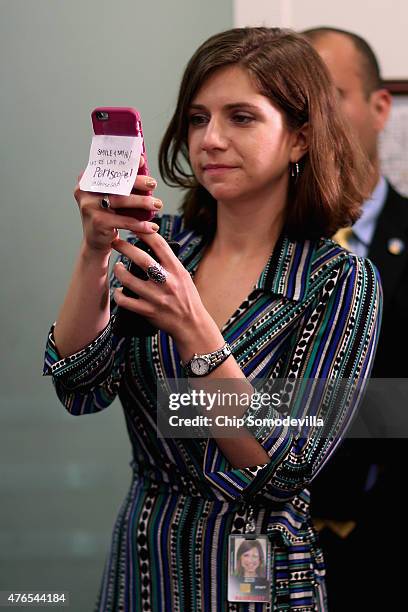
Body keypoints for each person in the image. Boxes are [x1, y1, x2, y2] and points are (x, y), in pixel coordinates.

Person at [42, 27, 382, 611]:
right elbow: (79, 387)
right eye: (198, 119)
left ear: (300, 139)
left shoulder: (339, 279)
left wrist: (194, 329)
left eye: (241, 118)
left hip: (257, 571)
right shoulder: (162, 248)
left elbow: (282, 468)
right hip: (146, 563)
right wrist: (96, 247)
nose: (211, 139)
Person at [302, 26, 408, 610]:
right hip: (261, 553)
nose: (310, 122)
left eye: (328, 98)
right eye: (294, 106)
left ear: (379, 107)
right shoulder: (252, 250)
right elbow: (191, 407)